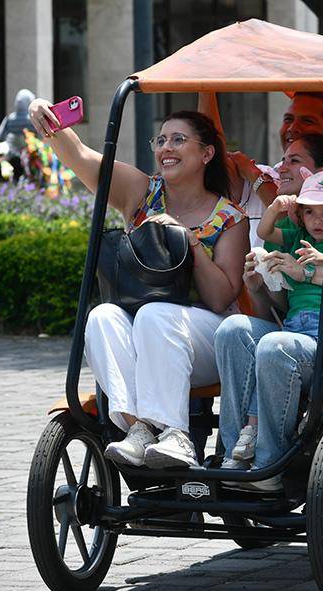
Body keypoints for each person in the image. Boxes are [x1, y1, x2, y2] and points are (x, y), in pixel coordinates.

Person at [28, 100, 249, 469]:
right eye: (160, 140)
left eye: (179, 140)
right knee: (101, 317)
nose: (167, 148)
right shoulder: (143, 192)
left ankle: (176, 434)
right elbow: (81, 156)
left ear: (206, 153)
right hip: (145, 327)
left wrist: (188, 241)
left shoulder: (229, 218)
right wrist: (48, 122)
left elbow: (220, 296)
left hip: (205, 337)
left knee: (155, 315)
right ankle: (139, 429)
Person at [214, 133, 323, 491]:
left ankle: (269, 467)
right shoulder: (295, 229)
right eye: (282, 158)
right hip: (302, 326)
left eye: (294, 160)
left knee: (276, 346)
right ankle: (236, 455)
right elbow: (287, 307)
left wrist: (310, 269)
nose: (280, 166)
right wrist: (260, 286)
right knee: (233, 330)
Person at [198, 91, 323, 247]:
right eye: (288, 119)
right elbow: (210, 151)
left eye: (307, 121)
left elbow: (291, 221)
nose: (293, 128)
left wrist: (256, 177)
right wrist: (205, 85)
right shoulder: (262, 172)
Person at [0, 89, 37, 180]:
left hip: (12, 158)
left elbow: (0, 137)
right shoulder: (33, 120)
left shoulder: (10, 119)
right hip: (32, 156)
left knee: (15, 181)